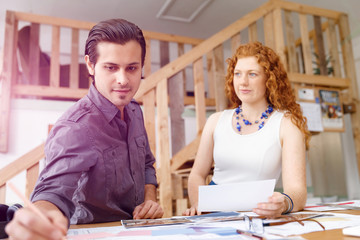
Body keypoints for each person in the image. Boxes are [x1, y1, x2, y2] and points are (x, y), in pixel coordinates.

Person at [6, 18, 163, 239]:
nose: (123, 80)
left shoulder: (135, 110)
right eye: (111, 67)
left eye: (132, 68)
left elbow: (147, 164)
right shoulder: (75, 127)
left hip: (139, 231)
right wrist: (43, 219)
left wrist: (150, 198)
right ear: (90, 64)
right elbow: (52, 192)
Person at [184, 41, 310, 218]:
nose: (243, 82)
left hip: (257, 215)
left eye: (252, 74)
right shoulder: (215, 121)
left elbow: (297, 191)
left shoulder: (287, 124)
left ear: (269, 79)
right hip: (212, 215)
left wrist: (284, 203)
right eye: (237, 74)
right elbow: (197, 174)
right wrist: (199, 205)